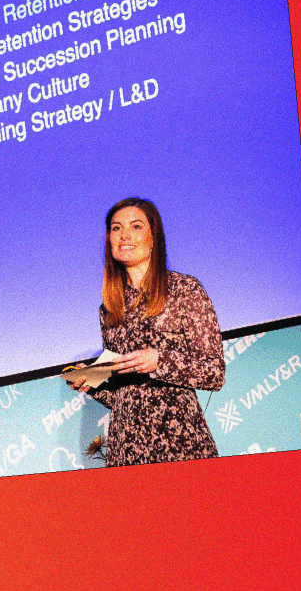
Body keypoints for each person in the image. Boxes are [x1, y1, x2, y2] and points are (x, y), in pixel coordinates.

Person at [64, 197, 223, 465]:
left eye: (136, 226)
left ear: (153, 238)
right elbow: (124, 396)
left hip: (179, 442)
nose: (124, 235)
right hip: (126, 448)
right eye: (116, 228)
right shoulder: (109, 308)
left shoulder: (185, 290)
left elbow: (214, 373)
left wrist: (159, 361)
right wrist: (91, 382)